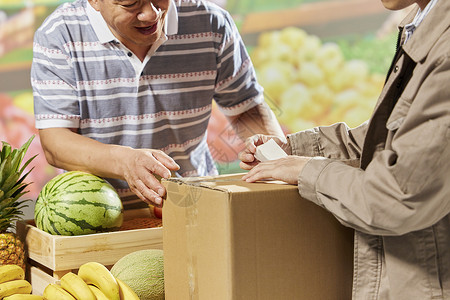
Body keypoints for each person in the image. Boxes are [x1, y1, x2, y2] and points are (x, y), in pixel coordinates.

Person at [239, 0, 449, 299]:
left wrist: (307, 170)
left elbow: (396, 198)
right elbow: (388, 137)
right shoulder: (424, 23)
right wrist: (293, 148)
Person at [31, 0, 284, 209]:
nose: (151, 13)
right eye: (131, 4)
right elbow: (56, 143)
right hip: (97, 215)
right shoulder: (59, 34)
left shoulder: (212, 23)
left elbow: (246, 108)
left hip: (195, 205)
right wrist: (124, 162)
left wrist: (280, 165)